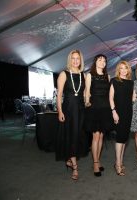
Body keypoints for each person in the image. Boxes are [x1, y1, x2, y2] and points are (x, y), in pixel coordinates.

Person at [55, 49, 88, 181]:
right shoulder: (64, 74)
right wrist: (60, 111)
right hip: (68, 110)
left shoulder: (83, 75)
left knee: (77, 135)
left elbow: (85, 94)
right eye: (73, 58)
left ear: (81, 60)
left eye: (78, 58)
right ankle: (75, 166)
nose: (75, 61)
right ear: (70, 59)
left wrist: (89, 101)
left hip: (80, 110)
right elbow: (59, 96)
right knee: (71, 135)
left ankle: (69, 159)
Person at [84, 54, 113, 177]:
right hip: (94, 108)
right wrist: (87, 102)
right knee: (95, 136)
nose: (102, 62)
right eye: (100, 60)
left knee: (101, 136)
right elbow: (87, 92)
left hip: (105, 109)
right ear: (95, 62)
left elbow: (110, 94)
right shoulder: (90, 75)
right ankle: (95, 163)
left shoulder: (108, 76)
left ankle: (98, 159)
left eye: (104, 61)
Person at [109, 61, 134, 176]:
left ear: (128, 70)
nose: (124, 70)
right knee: (120, 138)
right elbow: (111, 98)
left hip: (128, 113)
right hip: (118, 112)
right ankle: (117, 163)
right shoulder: (114, 81)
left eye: (126, 68)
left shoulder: (131, 82)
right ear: (118, 70)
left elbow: (132, 98)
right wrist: (114, 111)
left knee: (124, 138)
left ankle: (121, 161)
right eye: (121, 68)